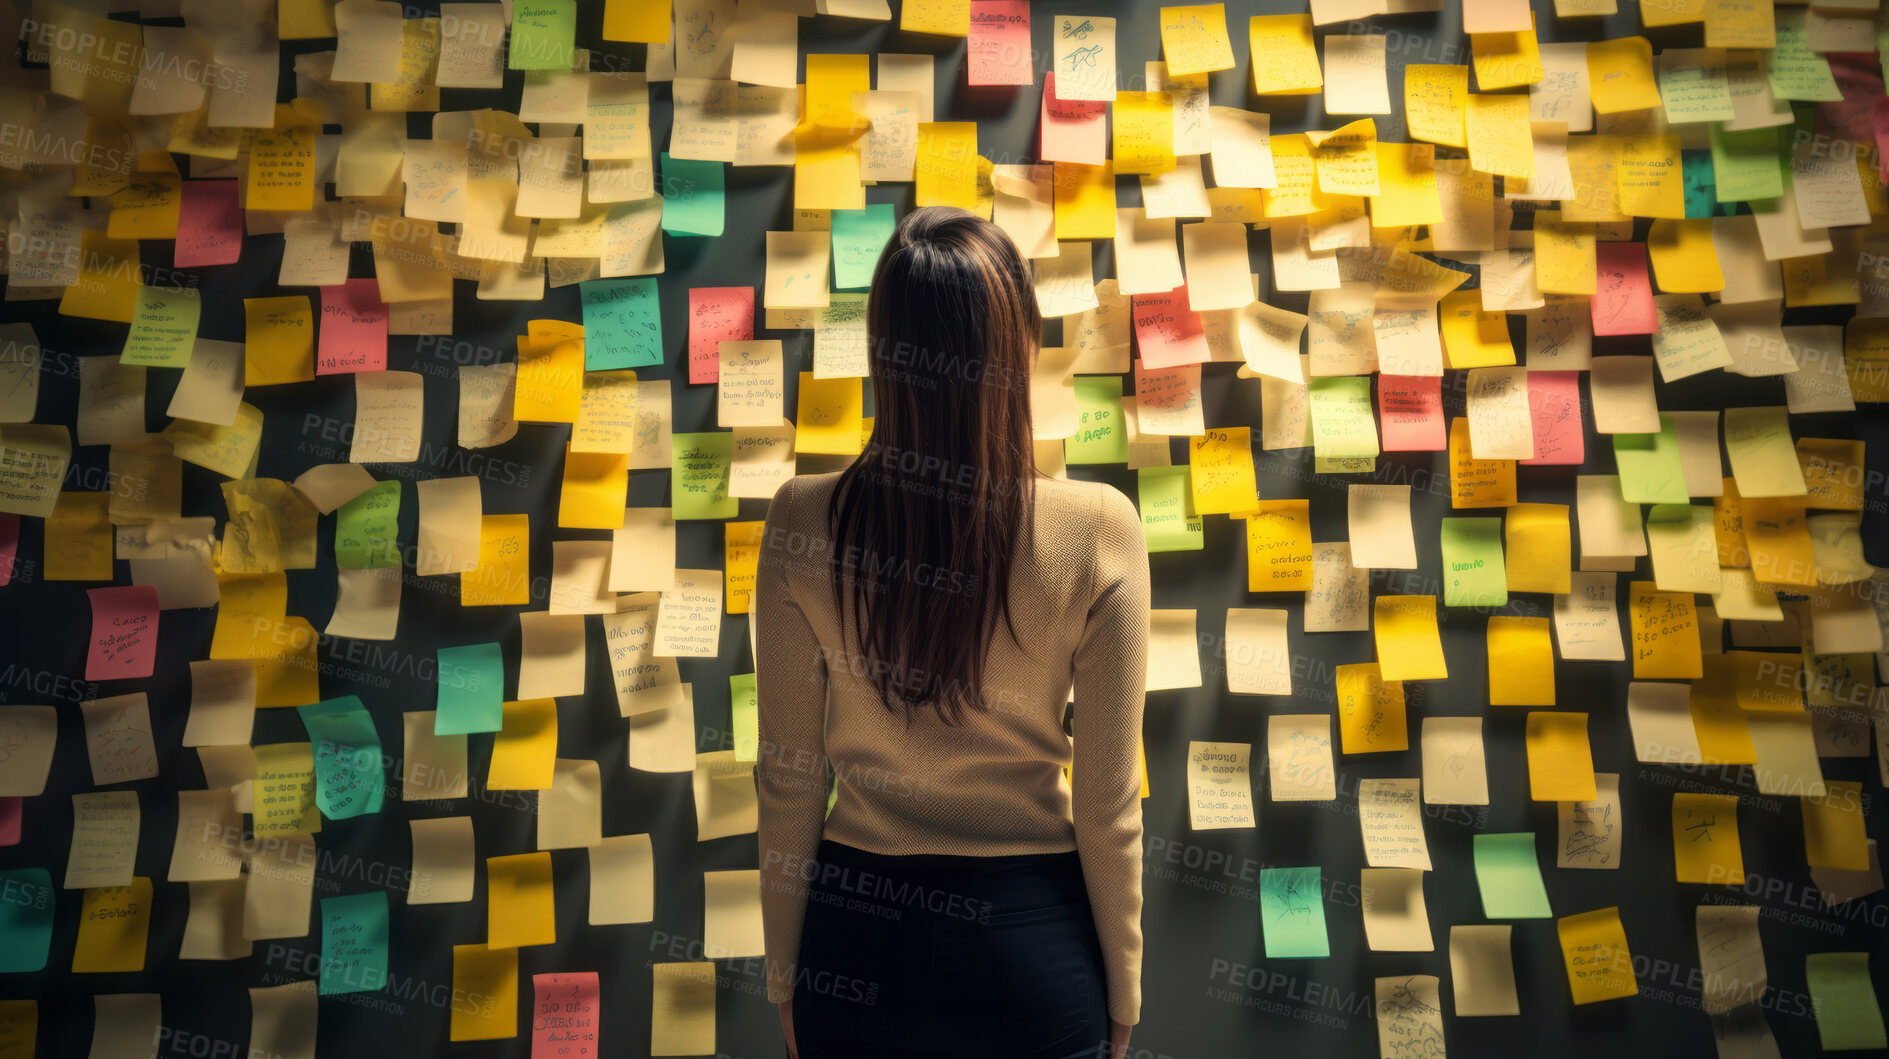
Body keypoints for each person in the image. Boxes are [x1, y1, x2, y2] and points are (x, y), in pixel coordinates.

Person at [754, 205, 1150, 1059]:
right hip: (1031, 949)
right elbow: (1107, 799)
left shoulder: (799, 517)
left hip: (854, 943)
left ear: (883, 350)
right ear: (1017, 345)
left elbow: (787, 779)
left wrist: (786, 977)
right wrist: (1124, 990)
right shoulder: (1098, 528)